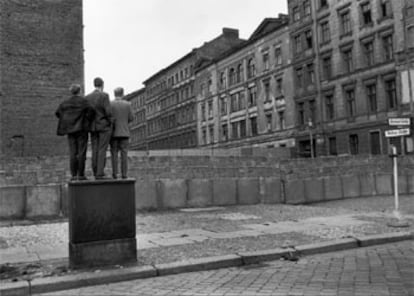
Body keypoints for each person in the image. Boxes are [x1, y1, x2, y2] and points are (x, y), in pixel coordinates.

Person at [55, 84, 94, 181]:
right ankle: (80, 174)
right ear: (79, 91)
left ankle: (73, 174)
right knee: (81, 152)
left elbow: (57, 113)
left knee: (72, 152)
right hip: (81, 129)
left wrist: (67, 120)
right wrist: (86, 119)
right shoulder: (84, 101)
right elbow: (91, 112)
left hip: (70, 130)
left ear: (71, 92)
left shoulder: (65, 103)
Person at [85, 77, 113, 179]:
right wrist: (110, 122)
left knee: (94, 149)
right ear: (102, 85)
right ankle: (100, 173)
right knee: (102, 149)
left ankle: (95, 170)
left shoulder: (87, 97)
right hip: (103, 126)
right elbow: (108, 112)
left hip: (93, 127)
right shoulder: (104, 96)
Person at [110, 87, 133, 179]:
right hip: (124, 133)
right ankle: (124, 174)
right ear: (122, 94)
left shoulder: (110, 104)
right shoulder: (128, 104)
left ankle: (115, 173)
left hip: (114, 133)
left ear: (114, 94)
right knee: (124, 154)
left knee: (114, 154)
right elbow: (131, 118)